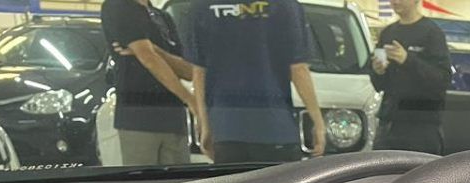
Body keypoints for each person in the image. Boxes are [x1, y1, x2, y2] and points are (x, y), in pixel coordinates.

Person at [186, 0, 326, 164]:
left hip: (226, 129)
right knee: (278, 181)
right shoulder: (285, 5)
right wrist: (318, 122)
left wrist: (205, 124)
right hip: (276, 128)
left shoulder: (203, 6)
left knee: (236, 181)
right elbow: (298, 69)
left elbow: (199, 72)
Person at [101, 0, 195, 165]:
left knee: (179, 179)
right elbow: (148, 58)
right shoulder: (118, 6)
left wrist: (156, 50)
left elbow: (188, 71)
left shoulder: (163, 17)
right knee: (143, 179)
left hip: (174, 118)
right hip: (139, 119)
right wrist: (190, 99)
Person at [371, 0, 451, 155]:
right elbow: (379, 85)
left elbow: (442, 79)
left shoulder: (432, 33)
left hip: (421, 128)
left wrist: (407, 60)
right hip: (389, 125)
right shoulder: (388, 33)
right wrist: (378, 71)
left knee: (421, 171)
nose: (396, 1)